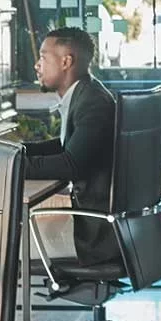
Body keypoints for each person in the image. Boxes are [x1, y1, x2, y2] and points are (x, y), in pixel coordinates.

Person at [27, 27, 118, 264]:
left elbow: (71, 164)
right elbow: (67, 146)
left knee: (5, 242)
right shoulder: (87, 93)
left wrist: (11, 166)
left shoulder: (93, 103)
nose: (38, 65)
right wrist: (16, 152)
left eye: (44, 57)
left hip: (94, 235)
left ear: (66, 61)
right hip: (95, 225)